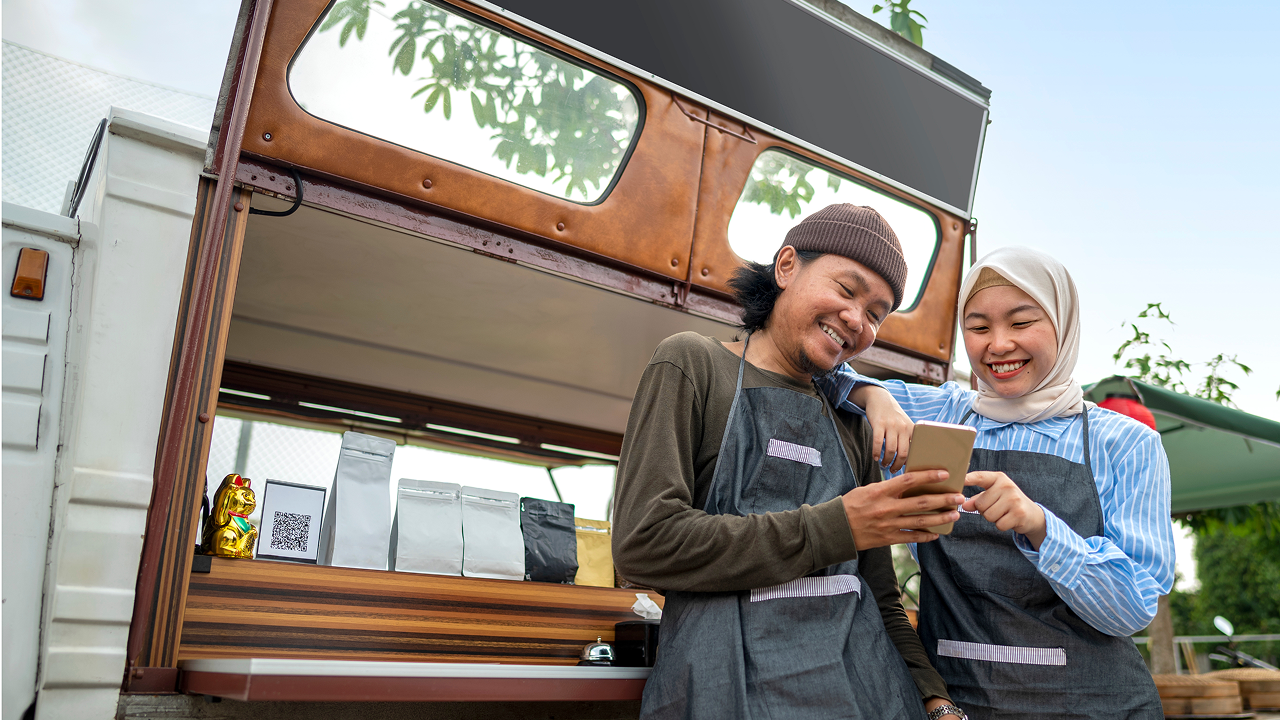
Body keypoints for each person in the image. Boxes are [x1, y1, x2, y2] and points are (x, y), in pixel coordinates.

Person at [613, 204, 968, 720]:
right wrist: (837, 525)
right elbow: (644, 545)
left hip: (865, 697)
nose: (856, 320)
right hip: (723, 694)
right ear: (785, 267)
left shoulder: (854, 424)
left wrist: (936, 701)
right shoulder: (693, 364)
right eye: (847, 291)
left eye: (875, 313)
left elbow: (880, 595)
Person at [821, 246, 1174, 719]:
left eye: (1022, 322)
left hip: (1093, 705)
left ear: (1064, 324)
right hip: (957, 698)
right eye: (979, 327)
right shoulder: (944, 410)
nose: (999, 345)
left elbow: (1132, 607)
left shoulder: (1126, 444)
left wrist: (1042, 527)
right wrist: (874, 393)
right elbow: (820, 369)